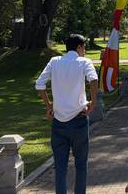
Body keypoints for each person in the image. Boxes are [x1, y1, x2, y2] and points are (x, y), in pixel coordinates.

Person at [35, 34, 98, 194]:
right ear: (79, 47)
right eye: (83, 48)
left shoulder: (54, 62)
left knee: (60, 167)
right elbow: (93, 80)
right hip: (79, 119)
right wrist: (93, 102)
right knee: (81, 164)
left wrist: (49, 105)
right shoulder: (84, 62)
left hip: (59, 121)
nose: (84, 51)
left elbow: (39, 84)